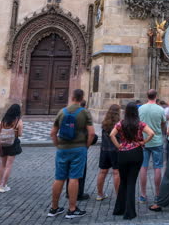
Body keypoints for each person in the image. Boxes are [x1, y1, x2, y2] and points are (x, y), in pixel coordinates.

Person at [49, 89, 95, 219]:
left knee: (59, 178)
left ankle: (54, 208)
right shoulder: (84, 112)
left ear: (72, 97)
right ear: (82, 98)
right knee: (74, 178)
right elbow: (91, 133)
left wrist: (58, 145)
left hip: (62, 149)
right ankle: (72, 209)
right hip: (78, 148)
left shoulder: (62, 111)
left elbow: (53, 132)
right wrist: (86, 146)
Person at [110, 102, 155, 220]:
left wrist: (118, 146)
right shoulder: (140, 124)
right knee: (131, 182)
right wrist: (143, 142)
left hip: (123, 154)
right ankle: (129, 212)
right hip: (136, 153)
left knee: (123, 181)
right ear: (136, 111)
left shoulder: (121, 123)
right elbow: (151, 133)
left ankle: (119, 209)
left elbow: (111, 135)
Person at [138, 89, 166, 203]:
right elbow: (163, 123)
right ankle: (157, 194)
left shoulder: (141, 108)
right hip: (157, 141)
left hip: (144, 141)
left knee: (143, 167)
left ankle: (143, 194)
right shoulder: (160, 109)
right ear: (156, 96)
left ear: (147, 96)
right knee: (157, 167)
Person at [0, 104, 23, 193]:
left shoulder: (3, 120)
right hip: (13, 143)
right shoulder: (18, 121)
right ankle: (3, 186)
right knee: (8, 165)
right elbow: (19, 134)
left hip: (3, 143)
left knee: (3, 165)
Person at [97, 104, 121, 201]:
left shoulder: (104, 123)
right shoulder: (118, 124)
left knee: (102, 172)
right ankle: (119, 196)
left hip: (104, 150)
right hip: (115, 150)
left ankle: (99, 194)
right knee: (116, 173)